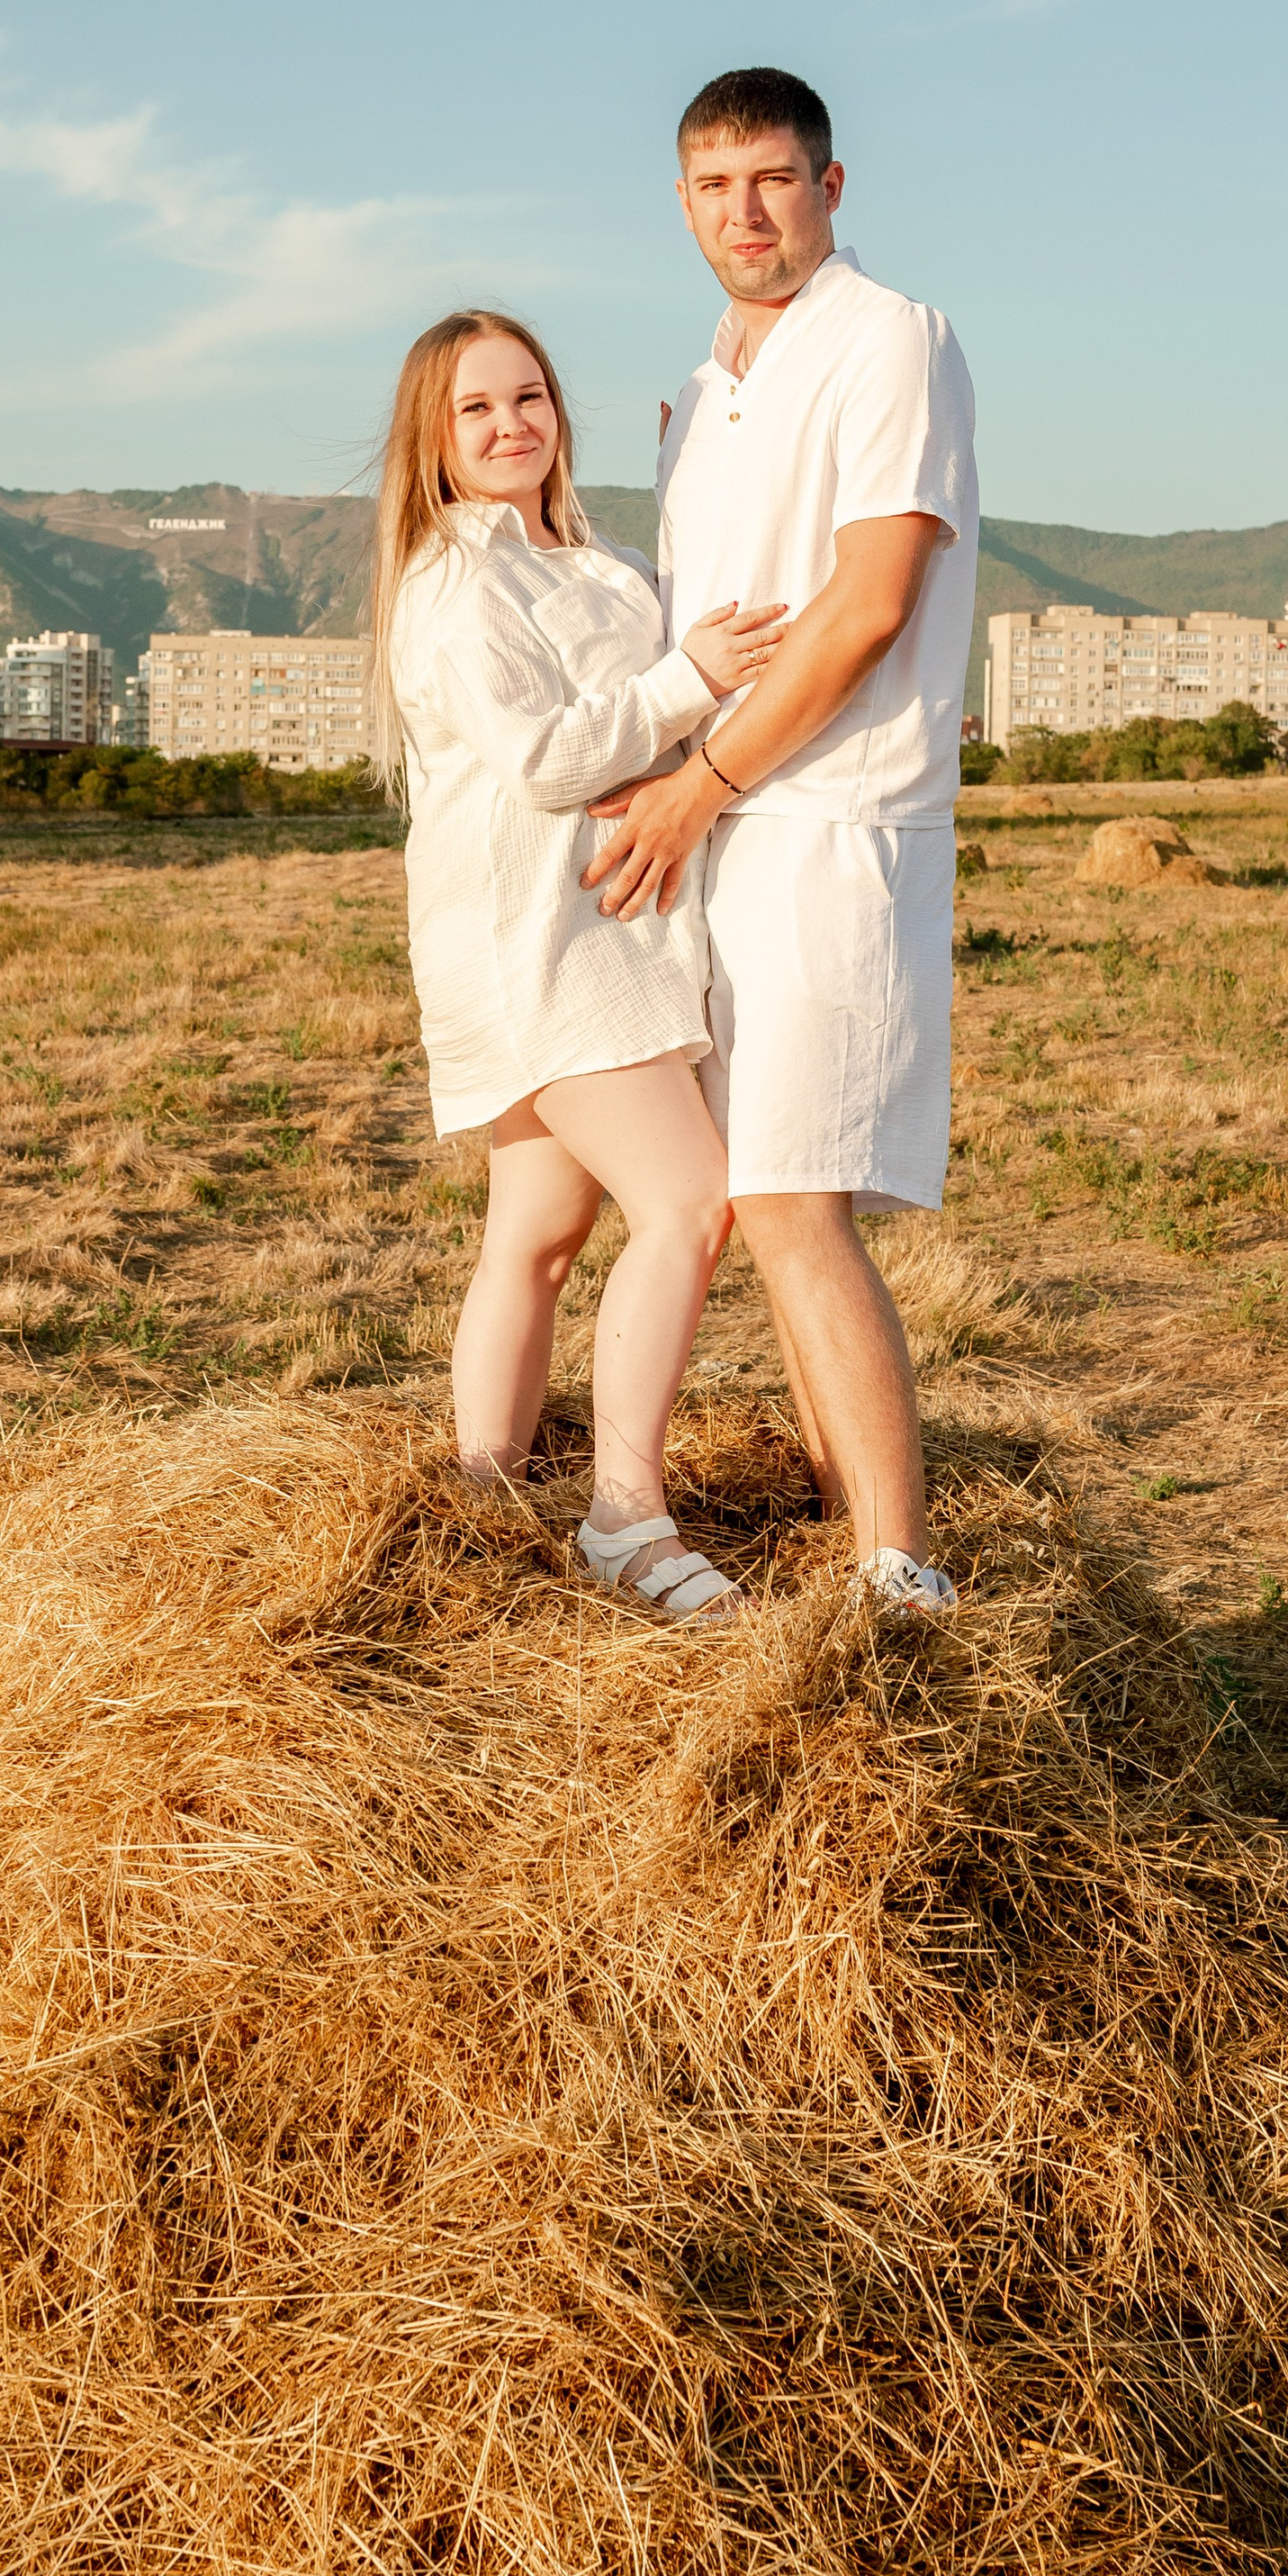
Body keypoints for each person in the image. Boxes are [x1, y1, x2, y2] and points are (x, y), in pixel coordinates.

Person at [581, 68, 977, 1619]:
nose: (744, 211)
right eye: (712, 185)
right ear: (681, 205)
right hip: (723, 825)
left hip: (825, 819)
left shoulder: (890, 339)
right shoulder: (708, 382)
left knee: (802, 1203)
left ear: (831, 182)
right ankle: (847, 1535)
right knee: (758, 1200)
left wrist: (706, 784)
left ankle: (900, 1574)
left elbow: (870, 608)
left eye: (773, 178)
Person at [369, 306, 788, 1623]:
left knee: (537, 1237)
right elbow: (547, 757)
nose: (510, 426)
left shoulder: (584, 559)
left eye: (528, 397)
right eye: (476, 410)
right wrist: (687, 680)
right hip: (540, 940)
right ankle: (625, 1515)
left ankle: (481, 1511)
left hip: (590, 929)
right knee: (690, 1206)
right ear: (434, 442)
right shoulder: (455, 578)